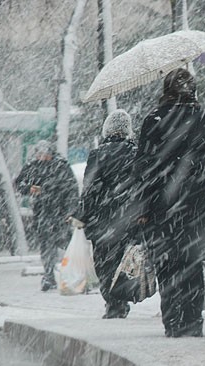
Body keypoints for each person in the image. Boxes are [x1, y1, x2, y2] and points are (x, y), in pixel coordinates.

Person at [139, 68, 205, 337]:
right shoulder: (204, 118)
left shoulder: (153, 119)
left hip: (162, 206)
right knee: (192, 264)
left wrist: (145, 209)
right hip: (196, 206)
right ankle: (193, 321)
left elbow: (144, 168)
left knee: (167, 265)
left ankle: (173, 320)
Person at [72, 109, 144, 319]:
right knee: (125, 260)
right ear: (128, 130)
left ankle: (112, 303)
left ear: (107, 129)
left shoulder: (98, 154)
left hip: (102, 218)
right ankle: (122, 298)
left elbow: (90, 188)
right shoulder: (136, 152)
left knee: (104, 262)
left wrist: (82, 214)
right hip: (128, 217)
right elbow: (141, 184)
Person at [15, 140, 79, 292]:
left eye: (45, 154)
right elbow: (19, 184)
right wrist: (29, 188)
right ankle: (49, 276)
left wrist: (70, 211)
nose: (42, 157)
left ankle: (74, 274)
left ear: (51, 153)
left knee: (66, 243)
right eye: (39, 154)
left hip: (60, 212)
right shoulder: (32, 166)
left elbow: (71, 189)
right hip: (42, 212)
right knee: (47, 245)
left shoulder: (61, 166)